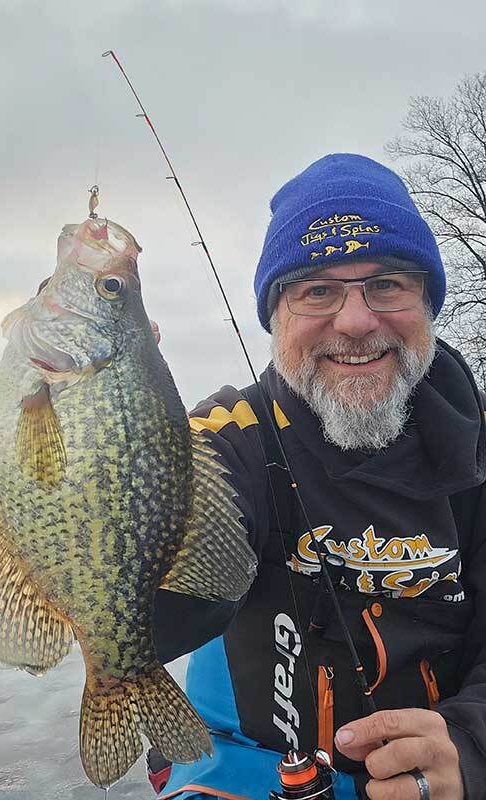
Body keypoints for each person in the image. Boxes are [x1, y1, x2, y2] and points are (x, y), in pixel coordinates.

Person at [150, 154, 486, 800]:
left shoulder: (477, 451)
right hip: (249, 771)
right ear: (277, 316)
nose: (356, 321)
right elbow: (160, 607)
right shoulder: (230, 437)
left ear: (427, 302)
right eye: (318, 290)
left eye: (387, 284)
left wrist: (469, 750)